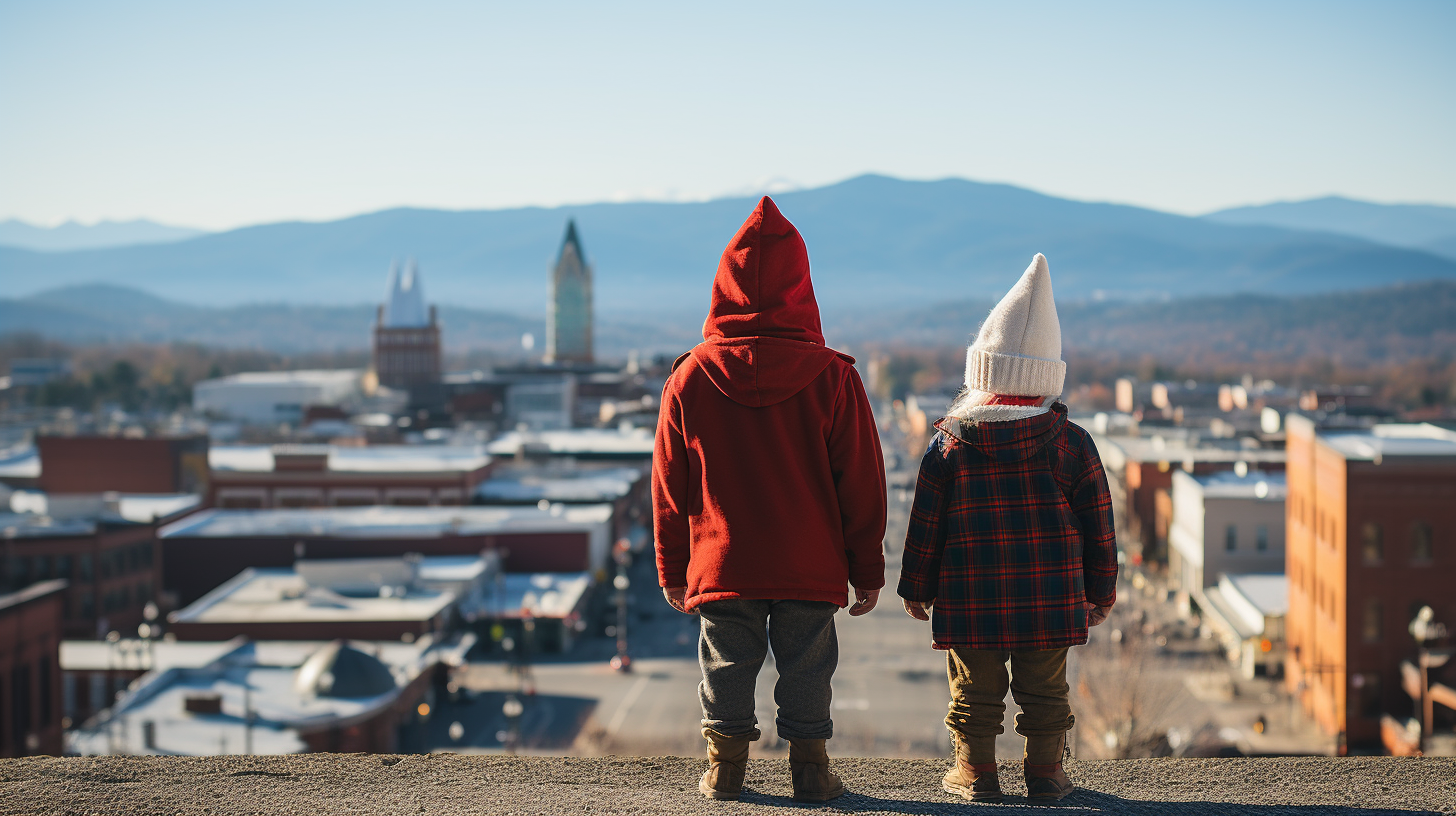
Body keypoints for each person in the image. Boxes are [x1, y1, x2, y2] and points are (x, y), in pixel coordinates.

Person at [653, 196, 887, 803]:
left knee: (725, 666)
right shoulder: (835, 378)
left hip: (723, 559)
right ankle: (810, 769)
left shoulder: (689, 379)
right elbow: (861, 482)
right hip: (810, 559)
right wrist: (867, 569)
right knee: (808, 667)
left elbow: (668, 487)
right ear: (802, 288)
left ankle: (725, 770)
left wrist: (671, 568)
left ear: (723, 286)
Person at [898, 253, 1117, 803]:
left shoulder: (949, 444)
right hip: (1049, 599)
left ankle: (976, 775)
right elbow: (1100, 529)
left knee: (974, 693)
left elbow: (925, 526)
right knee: (1046, 691)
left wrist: (916, 588)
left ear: (981, 375)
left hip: (970, 599)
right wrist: (1101, 593)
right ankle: (1046, 774)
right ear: (1046, 378)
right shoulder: (1073, 444)